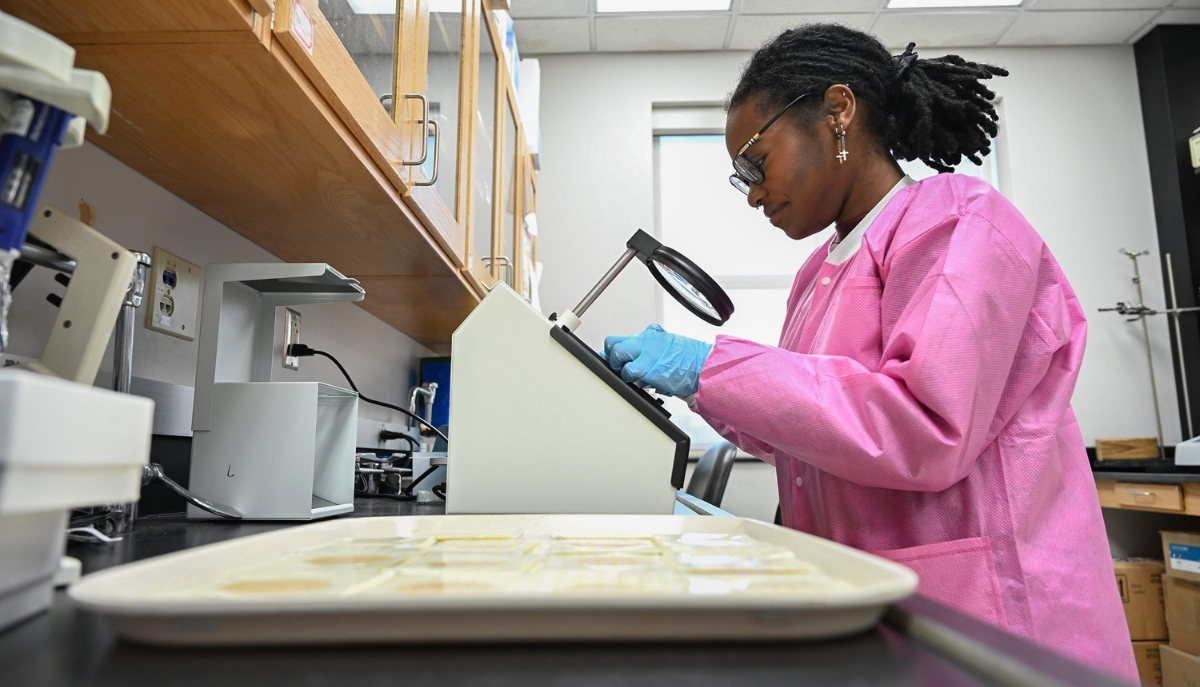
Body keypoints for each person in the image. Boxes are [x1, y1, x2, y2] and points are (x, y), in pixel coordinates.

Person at [604, 24, 1136, 681]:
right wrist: (696, 387)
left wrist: (707, 363)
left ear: (837, 111)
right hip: (883, 610)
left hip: (996, 623)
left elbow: (919, 425)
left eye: (755, 160)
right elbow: (813, 431)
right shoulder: (816, 274)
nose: (752, 192)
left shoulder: (961, 224)